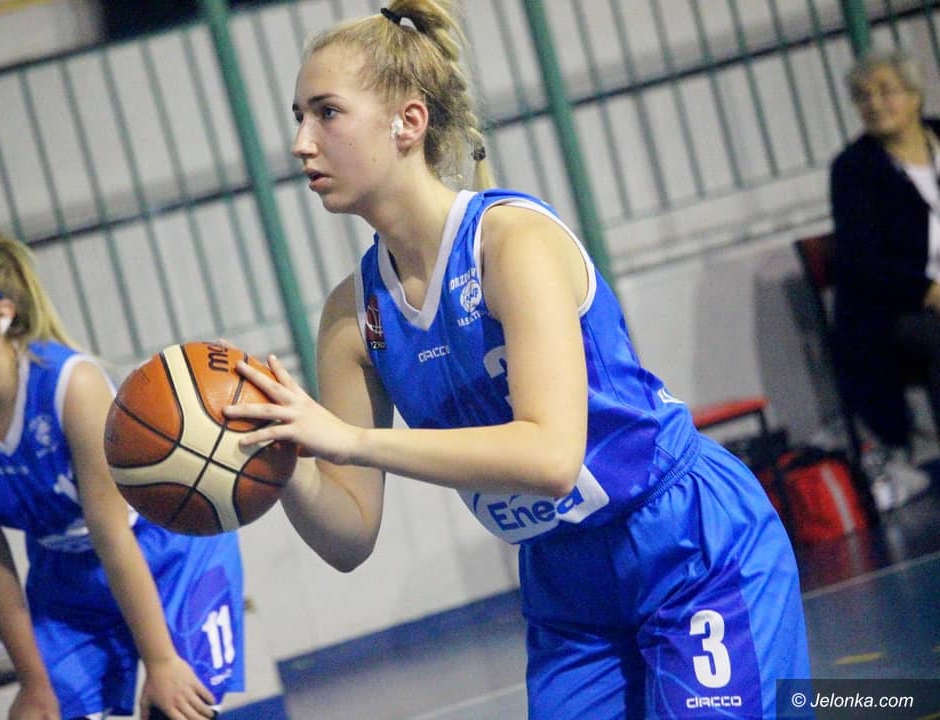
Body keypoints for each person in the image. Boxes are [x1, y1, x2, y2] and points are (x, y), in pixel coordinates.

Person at [219, 2, 811, 717]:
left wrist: (348, 440)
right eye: (298, 117)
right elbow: (349, 537)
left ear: (408, 122)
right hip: (565, 583)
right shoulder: (353, 316)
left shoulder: (509, 243)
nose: (300, 143)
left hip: (684, 541)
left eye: (326, 113)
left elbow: (551, 457)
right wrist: (282, 462)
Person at [0, 232, 244, 720]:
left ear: (2, 314)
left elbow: (111, 534)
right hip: (64, 576)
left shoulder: (70, 385)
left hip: (163, 553)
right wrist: (32, 682)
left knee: (175, 708)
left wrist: (162, 661)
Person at [830, 50, 939, 511]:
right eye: (863, 96)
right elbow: (865, 262)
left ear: (914, 95)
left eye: (885, 91)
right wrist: (929, 291)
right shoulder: (854, 169)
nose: (874, 103)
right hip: (895, 311)